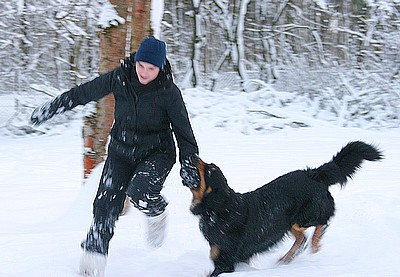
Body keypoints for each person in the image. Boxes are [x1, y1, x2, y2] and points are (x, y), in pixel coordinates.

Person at [30, 36, 200, 276]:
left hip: (157, 153)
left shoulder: (168, 92)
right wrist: (54, 106)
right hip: (121, 151)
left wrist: (189, 164)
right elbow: (85, 92)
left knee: (140, 191)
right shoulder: (121, 77)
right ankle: (93, 259)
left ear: (160, 67)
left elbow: (184, 132)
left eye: (150, 68)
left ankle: (156, 211)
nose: (143, 71)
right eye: (140, 65)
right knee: (105, 202)